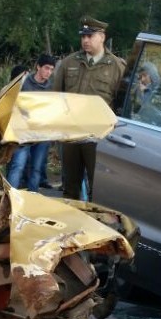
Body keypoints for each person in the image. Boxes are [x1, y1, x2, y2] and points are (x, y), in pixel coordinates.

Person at [52, 16, 125, 200]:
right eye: (83, 36)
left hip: (99, 138)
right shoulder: (69, 63)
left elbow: (123, 106)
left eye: (90, 36)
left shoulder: (116, 66)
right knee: (70, 187)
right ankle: (71, 225)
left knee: (99, 188)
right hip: (72, 135)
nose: (85, 40)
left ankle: (96, 226)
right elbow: (55, 97)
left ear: (102, 37)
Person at [6, 54, 55, 191]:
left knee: (36, 168)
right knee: (18, 166)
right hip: (23, 133)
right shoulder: (24, 83)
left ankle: (32, 198)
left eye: (51, 69)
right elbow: (12, 104)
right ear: (38, 67)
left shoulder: (51, 87)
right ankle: (10, 198)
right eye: (46, 68)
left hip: (42, 133)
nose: (48, 72)